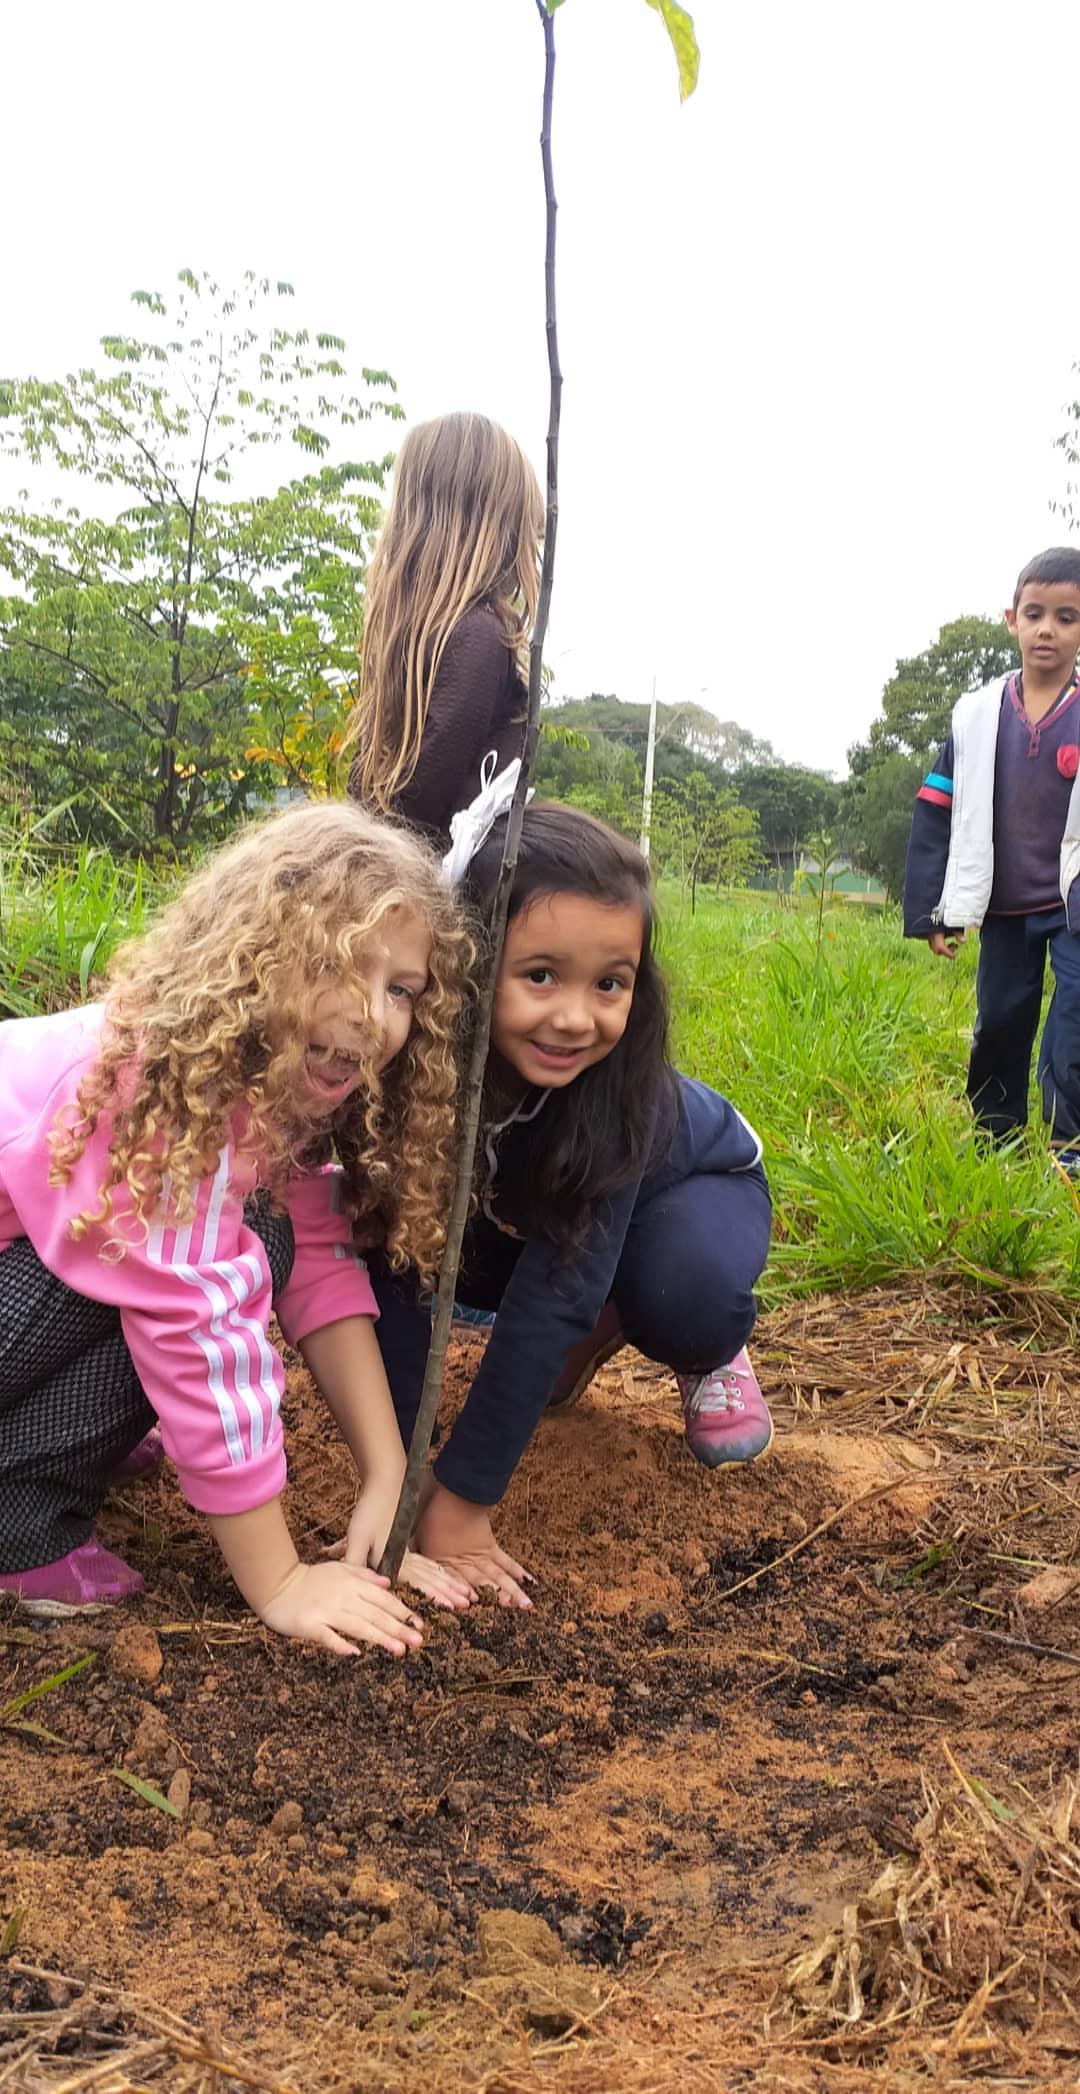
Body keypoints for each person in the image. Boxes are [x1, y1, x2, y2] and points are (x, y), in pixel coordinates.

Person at [0, 800, 475, 1648]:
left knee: (268, 1235)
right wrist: (283, 1583)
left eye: (401, 989)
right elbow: (198, 1332)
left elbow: (317, 1262)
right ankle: (21, 1515)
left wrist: (388, 1473)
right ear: (254, 954)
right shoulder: (161, 1095)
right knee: (187, 1278)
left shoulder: (264, 1079)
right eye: (335, 965)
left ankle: (55, 1435)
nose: (374, 1014)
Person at [369, 804, 774, 1607]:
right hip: (522, 1204)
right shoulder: (419, 1064)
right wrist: (403, 1479)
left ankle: (704, 1352)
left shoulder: (624, 1095)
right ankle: (597, 1325)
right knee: (413, 1235)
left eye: (610, 984)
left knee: (683, 1292)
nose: (575, 1018)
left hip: (695, 1190)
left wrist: (463, 1504)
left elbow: (556, 1288)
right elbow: (401, 1267)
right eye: (541, 976)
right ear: (469, 961)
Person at [904, 546, 1080, 1152]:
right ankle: (995, 1136)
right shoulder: (977, 716)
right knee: (1001, 1020)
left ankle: (1069, 1145)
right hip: (1004, 905)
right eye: (1035, 614)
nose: (1047, 630)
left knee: (1074, 1022)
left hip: (1072, 904)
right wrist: (936, 910)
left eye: (1066, 617)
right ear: (1012, 620)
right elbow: (937, 807)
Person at [345, 410, 544, 848]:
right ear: (494, 529)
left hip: (398, 873)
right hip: (424, 881)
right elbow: (412, 808)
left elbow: (385, 799)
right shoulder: (478, 638)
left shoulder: (431, 638)